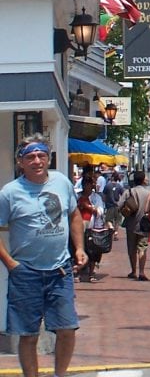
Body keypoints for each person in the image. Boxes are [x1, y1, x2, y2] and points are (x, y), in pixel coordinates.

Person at [0, 135, 87, 377]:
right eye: (30, 157)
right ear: (20, 162)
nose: (36, 161)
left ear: (48, 158)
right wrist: (11, 264)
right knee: (28, 335)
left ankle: (60, 374)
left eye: (41, 155)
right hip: (25, 273)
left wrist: (79, 248)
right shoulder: (9, 193)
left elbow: (74, 214)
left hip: (60, 270)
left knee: (67, 328)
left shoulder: (61, 182)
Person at [120, 170, 150, 281]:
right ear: (143, 180)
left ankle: (133, 270)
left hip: (131, 224)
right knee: (142, 248)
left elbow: (119, 205)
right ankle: (142, 272)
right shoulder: (149, 193)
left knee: (132, 249)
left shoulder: (128, 192)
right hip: (144, 225)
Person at [75, 175, 104, 283]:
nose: (86, 187)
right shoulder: (77, 196)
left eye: (88, 184)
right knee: (79, 248)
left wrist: (89, 207)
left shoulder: (96, 197)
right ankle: (78, 272)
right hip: (78, 226)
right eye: (85, 184)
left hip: (92, 226)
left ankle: (91, 273)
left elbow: (100, 211)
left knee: (92, 251)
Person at [101, 171, 124, 237]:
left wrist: (104, 201)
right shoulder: (119, 186)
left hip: (109, 205)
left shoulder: (107, 185)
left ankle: (111, 227)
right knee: (117, 220)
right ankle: (116, 232)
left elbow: (104, 195)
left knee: (108, 219)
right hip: (117, 205)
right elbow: (123, 194)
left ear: (112, 177)